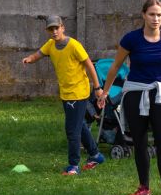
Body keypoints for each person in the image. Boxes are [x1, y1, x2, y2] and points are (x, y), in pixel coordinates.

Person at [97, 0, 161, 195]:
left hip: (160, 92)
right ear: (143, 15)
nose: (156, 19)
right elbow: (116, 66)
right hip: (135, 92)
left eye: (160, 15)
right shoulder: (131, 39)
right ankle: (144, 188)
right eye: (152, 14)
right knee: (139, 141)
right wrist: (104, 92)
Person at [22, 15, 105, 175]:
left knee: (71, 130)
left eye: (56, 28)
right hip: (66, 93)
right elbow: (39, 54)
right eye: (51, 29)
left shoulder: (74, 45)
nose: (54, 32)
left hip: (78, 92)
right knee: (79, 125)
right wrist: (29, 59)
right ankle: (95, 155)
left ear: (62, 27)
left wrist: (97, 87)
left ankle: (73, 166)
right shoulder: (51, 45)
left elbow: (89, 65)